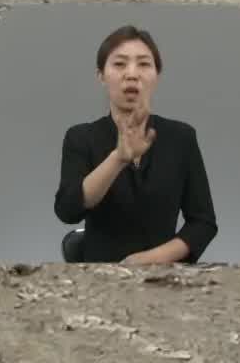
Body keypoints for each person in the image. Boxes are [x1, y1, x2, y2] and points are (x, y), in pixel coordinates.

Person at [54, 25, 218, 264]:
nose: (132, 74)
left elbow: (203, 223)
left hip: (164, 277)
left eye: (143, 64)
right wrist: (118, 159)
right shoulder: (80, 137)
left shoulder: (182, 137)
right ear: (101, 75)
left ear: (156, 76)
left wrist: (150, 260)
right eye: (119, 64)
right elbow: (68, 210)